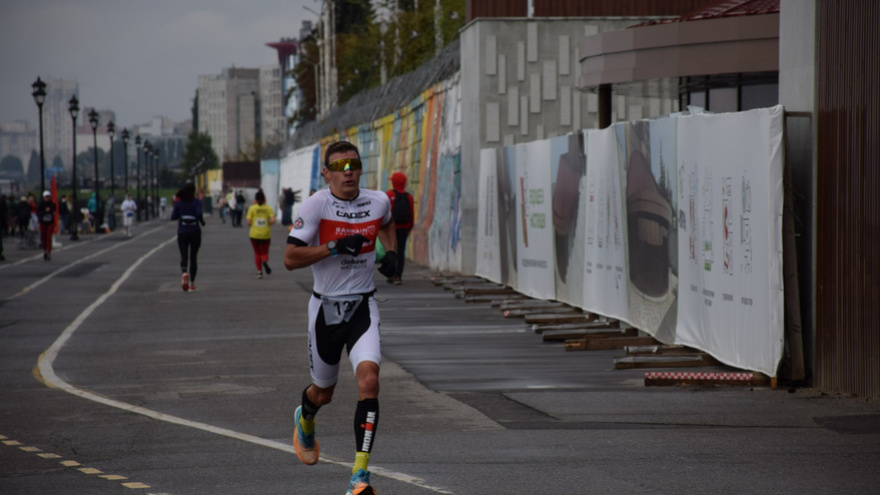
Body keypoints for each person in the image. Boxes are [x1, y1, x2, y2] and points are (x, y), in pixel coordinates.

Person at [284, 141, 398, 495]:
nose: (348, 171)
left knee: (370, 381)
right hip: (326, 309)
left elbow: (388, 224)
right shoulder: (316, 205)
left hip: (363, 305)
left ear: (361, 169)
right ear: (327, 173)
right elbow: (290, 258)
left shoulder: (378, 201)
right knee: (323, 393)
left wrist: (393, 253)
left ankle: (359, 476)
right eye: (339, 166)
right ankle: (305, 419)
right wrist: (332, 247)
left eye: (353, 164)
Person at [170, 182, 205, 292]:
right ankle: (191, 283)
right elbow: (199, 214)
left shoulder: (180, 203)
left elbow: (173, 216)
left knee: (183, 255)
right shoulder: (197, 202)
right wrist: (202, 222)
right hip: (194, 231)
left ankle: (184, 272)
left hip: (182, 232)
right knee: (193, 257)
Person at [385, 172, 415, 285]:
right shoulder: (409, 197)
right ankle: (398, 276)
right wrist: (409, 227)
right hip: (404, 227)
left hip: (391, 228)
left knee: (391, 249)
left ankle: (390, 274)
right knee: (401, 252)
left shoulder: (388, 195)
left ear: (393, 182)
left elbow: (385, 212)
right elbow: (411, 214)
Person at [246, 188, 275, 278]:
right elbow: (273, 220)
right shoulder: (268, 208)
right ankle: (264, 261)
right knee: (264, 252)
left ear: (255, 199)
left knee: (257, 253)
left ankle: (259, 272)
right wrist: (268, 223)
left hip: (254, 234)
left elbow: (248, 222)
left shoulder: (252, 208)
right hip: (265, 234)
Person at [36, 191, 56, 260]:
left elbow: (54, 211)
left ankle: (49, 252)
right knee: (43, 237)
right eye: (46, 197)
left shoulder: (52, 204)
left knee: (49, 237)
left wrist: (50, 211)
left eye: (48, 196)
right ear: (43, 197)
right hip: (43, 222)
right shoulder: (41, 204)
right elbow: (38, 213)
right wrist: (45, 211)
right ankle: (45, 250)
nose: (47, 198)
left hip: (50, 222)